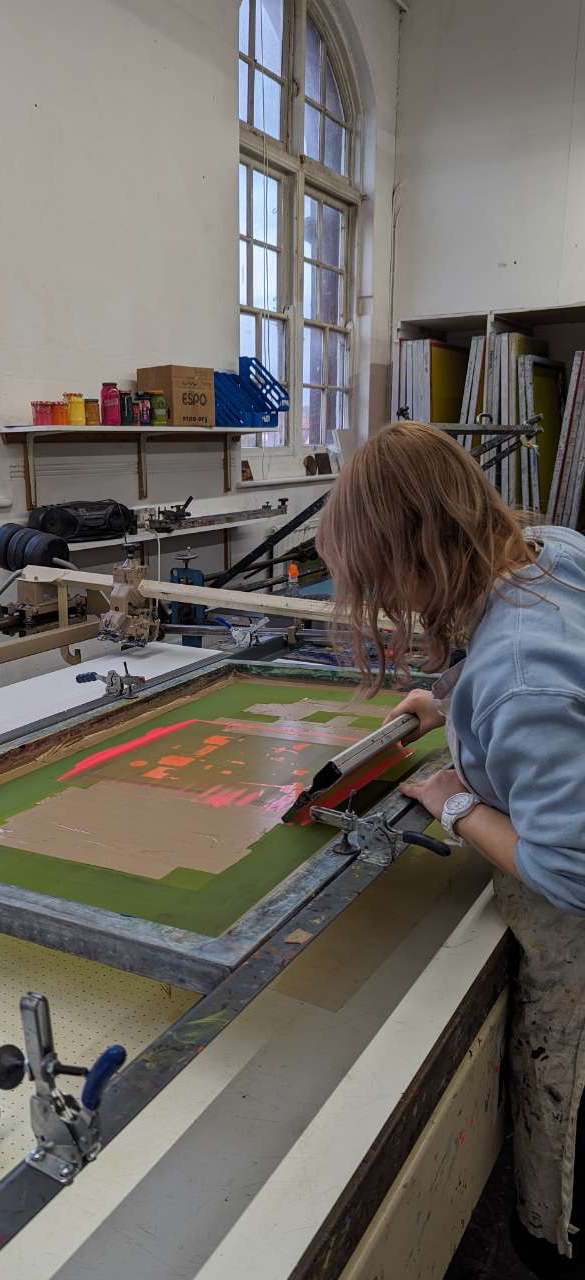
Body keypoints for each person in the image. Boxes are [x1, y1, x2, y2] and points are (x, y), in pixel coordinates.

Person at [316, 421, 585, 1278]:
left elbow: (571, 870)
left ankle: (548, 1248)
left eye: (382, 578)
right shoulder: (549, 549)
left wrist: (454, 801)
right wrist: (446, 699)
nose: (386, 601)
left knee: (566, 1105)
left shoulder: (519, 676)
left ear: (417, 554)